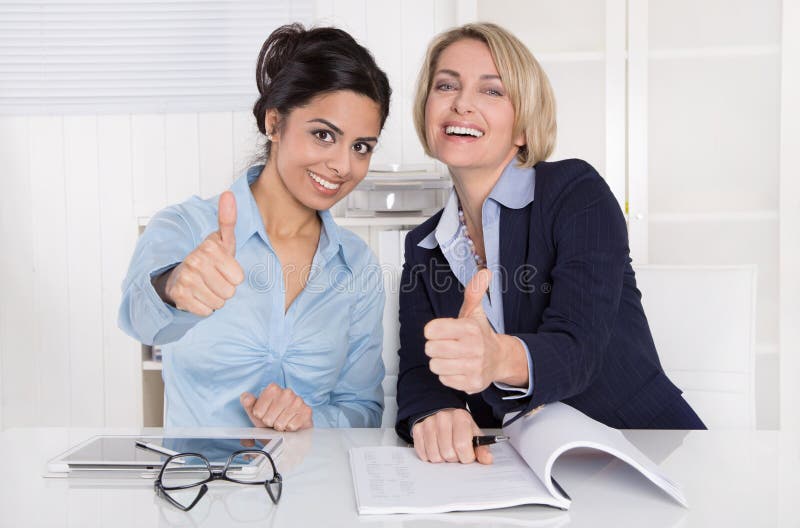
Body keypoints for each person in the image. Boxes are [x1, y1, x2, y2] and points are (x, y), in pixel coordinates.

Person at [395, 22, 705, 464]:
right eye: (446, 85)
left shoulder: (575, 194)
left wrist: (495, 356)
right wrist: (438, 410)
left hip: (647, 450)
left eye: (492, 90)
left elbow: (580, 349)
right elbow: (418, 371)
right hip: (520, 465)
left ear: (523, 128)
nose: (461, 102)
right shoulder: (423, 246)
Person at [119, 23, 391, 431]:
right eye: (323, 135)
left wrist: (311, 421)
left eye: (361, 147)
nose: (342, 165)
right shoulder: (185, 227)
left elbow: (363, 408)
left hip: (316, 472)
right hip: (201, 472)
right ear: (274, 123)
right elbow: (136, 318)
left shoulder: (357, 265)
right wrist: (173, 286)